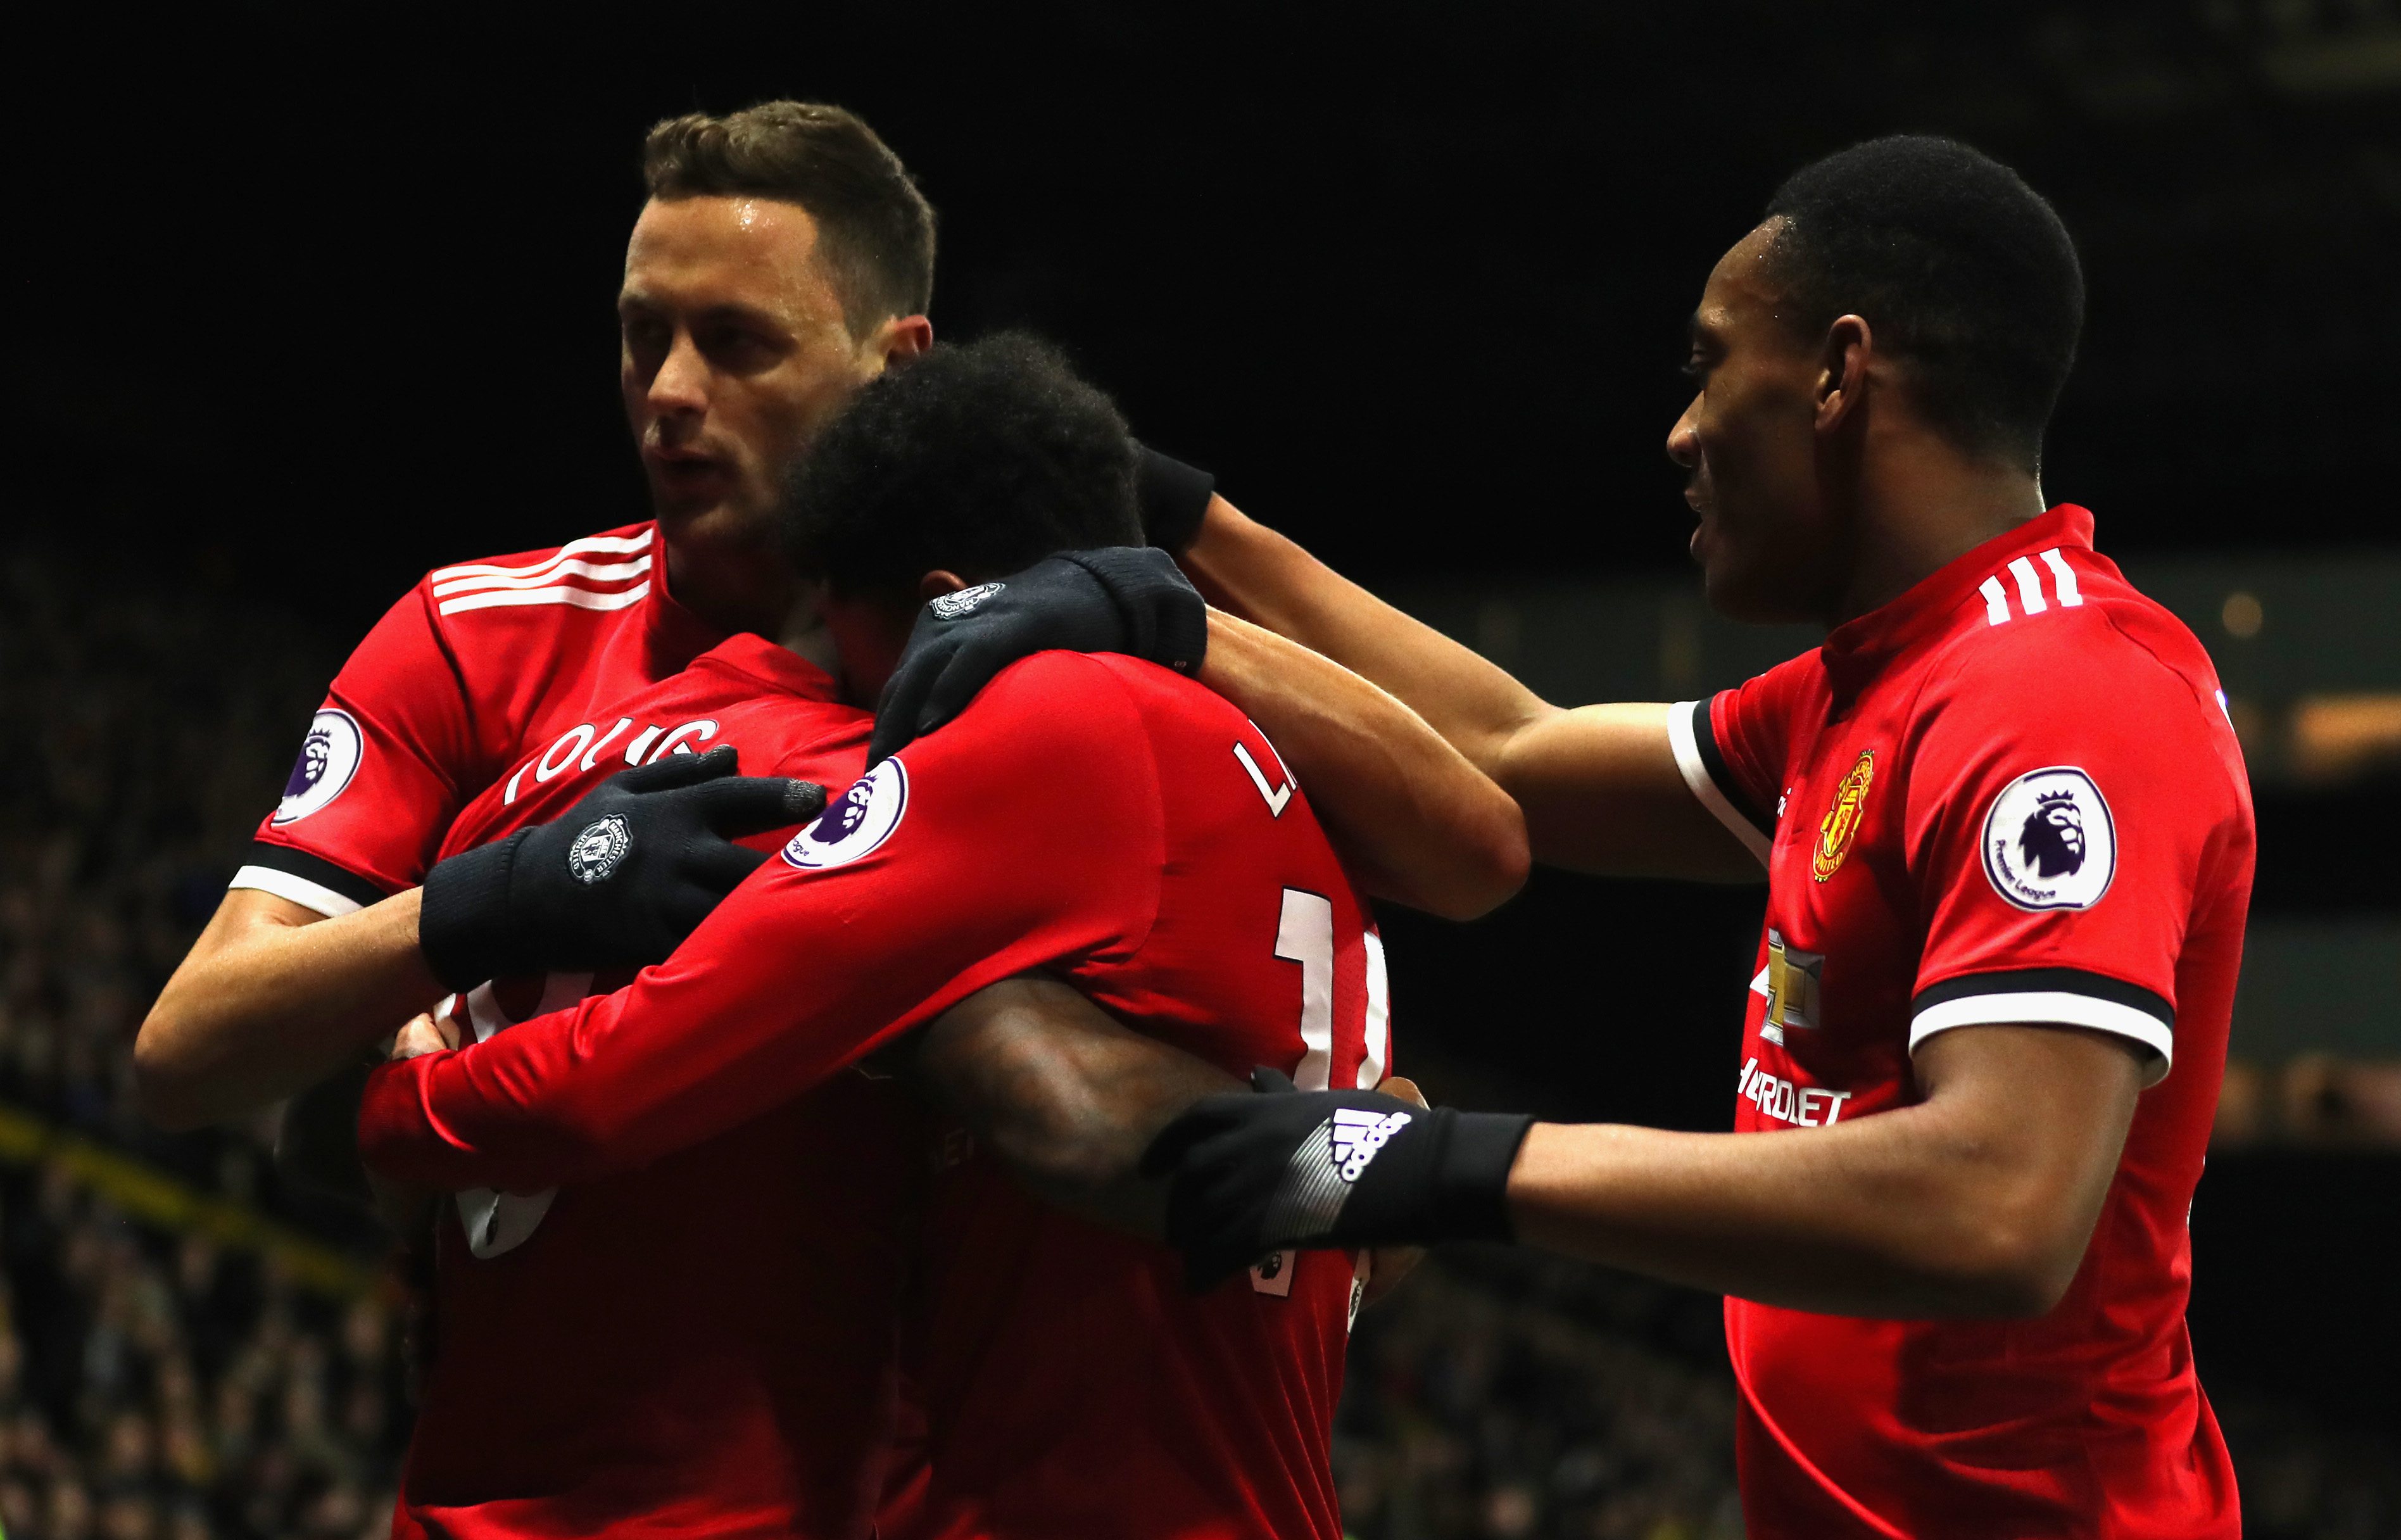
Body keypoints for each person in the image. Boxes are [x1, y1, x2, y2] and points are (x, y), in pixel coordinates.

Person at [885, 137, 2251, 1537]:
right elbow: (1510, 756)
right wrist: (1172, 540)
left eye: (1711, 364)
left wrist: (1444, 1166)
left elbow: (1999, 1208)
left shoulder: (2062, 693)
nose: (1679, 431)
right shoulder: (1888, 680)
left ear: (1840, 375)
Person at [356, 334, 1511, 1540]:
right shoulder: (1292, 775)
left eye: (843, 646)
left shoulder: (1033, 736)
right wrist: (1393, 1165)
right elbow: (1488, 854)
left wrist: (395, 1093)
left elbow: (615, 1079)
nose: (862, 715)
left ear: (937, 607)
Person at [134, 102, 945, 1133]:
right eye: (644, 335)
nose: (672, 391)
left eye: (737, 343)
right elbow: (187, 1048)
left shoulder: (999, 665)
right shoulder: (475, 633)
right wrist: (499, 902)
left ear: (899, 368)